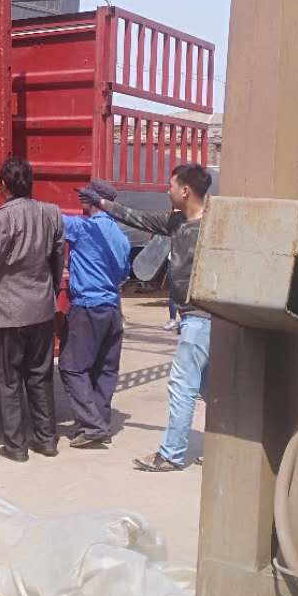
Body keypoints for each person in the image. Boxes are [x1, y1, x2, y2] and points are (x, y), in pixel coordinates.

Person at [79, 161, 211, 472]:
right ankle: (221, 450)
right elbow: (137, 218)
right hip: (195, 318)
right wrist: (102, 203)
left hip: (202, 318)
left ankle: (171, 454)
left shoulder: (214, 226)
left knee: (181, 385)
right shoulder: (177, 222)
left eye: (170, 185)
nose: (167, 191)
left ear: (185, 190)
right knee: (210, 389)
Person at [0, 156, 65, 463]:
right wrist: (50, 291)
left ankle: (16, 446)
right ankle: (46, 439)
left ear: (4, 185)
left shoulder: (1, 220)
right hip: (41, 308)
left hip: (10, 312)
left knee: (10, 379)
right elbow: (58, 258)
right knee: (41, 375)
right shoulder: (51, 213)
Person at [59, 179, 133, 449]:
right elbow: (124, 273)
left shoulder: (83, 228)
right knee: (105, 369)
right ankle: (100, 423)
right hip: (112, 309)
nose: (80, 200)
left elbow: (50, 220)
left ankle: (92, 426)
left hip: (88, 307)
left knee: (71, 367)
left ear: (93, 201)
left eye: (84, 197)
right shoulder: (121, 238)